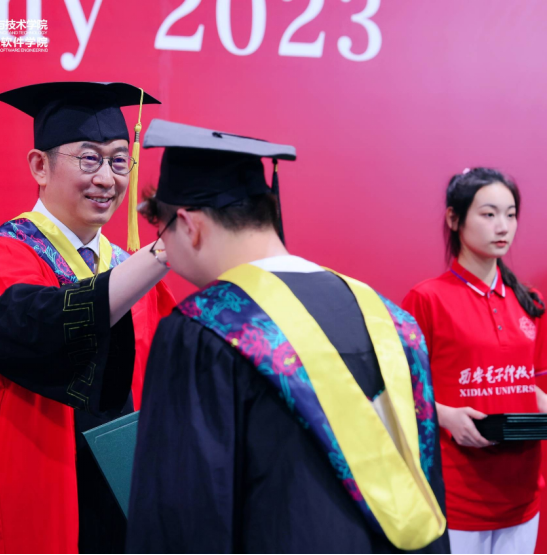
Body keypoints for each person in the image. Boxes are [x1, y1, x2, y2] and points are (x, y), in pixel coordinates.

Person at [126, 119, 449, 554]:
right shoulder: (391, 319)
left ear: (189, 224)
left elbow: (183, 518)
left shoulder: (202, 331)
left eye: (162, 233)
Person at [0, 82, 175, 554]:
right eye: (89, 159)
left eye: (119, 161)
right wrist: (162, 252)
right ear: (40, 166)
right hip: (32, 500)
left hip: (122, 506)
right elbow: (37, 328)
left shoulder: (133, 272)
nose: (107, 179)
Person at [402, 168, 547, 554]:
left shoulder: (530, 301)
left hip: (522, 495)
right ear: (454, 219)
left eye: (511, 214)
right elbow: (397, 390)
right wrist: (446, 416)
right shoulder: (426, 299)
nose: (503, 227)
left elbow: (527, 386)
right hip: (457, 496)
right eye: (488, 214)